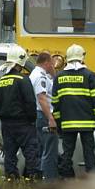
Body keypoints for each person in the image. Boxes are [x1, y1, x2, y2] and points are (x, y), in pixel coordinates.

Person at [52, 44, 95, 178]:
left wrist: (59, 124)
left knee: (67, 153)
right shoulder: (89, 76)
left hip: (67, 124)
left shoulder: (59, 77)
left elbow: (55, 103)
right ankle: (91, 181)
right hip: (87, 124)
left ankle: (66, 179)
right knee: (89, 154)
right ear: (82, 58)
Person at [0, 45, 41, 180]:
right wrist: (32, 119)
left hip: (6, 124)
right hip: (24, 123)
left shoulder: (1, 81)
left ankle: (11, 179)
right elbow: (30, 102)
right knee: (31, 152)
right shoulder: (23, 80)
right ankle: (32, 179)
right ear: (20, 63)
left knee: (10, 154)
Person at [29, 51, 60, 181]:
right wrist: (51, 119)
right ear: (47, 63)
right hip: (44, 115)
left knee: (44, 150)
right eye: (52, 64)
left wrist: (53, 74)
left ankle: (43, 179)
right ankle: (49, 182)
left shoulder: (38, 74)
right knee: (50, 151)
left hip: (41, 115)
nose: (53, 66)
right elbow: (42, 98)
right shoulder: (40, 76)